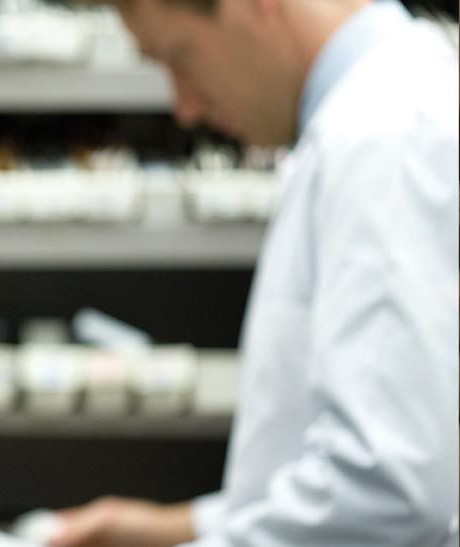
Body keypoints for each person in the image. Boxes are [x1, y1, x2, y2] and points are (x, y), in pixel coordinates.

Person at [49, 0, 458, 545]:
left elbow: (388, 490)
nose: (185, 107)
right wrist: (177, 530)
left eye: (180, 58)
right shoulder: (371, 121)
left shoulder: (387, 134)